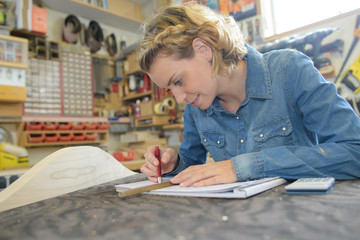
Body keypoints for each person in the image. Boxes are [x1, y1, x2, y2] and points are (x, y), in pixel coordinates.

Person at [137, 3, 360, 187]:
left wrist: (248, 166)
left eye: (178, 81)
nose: (178, 98)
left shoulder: (289, 70)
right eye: (169, 88)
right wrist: (174, 165)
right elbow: (194, 165)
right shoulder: (195, 107)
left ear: (203, 49)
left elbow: (354, 151)